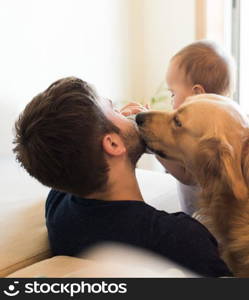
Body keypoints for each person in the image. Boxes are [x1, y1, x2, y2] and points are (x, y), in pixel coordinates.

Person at [13, 77, 232, 277]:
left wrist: (125, 129)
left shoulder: (58, 206)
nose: (126, 113)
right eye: (115, 110)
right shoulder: (179, 238)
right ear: (113, 144)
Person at [160, 40, 236, 215]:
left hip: (210, 229)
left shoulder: (212, 136)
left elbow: (187, 175)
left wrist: (152, 141)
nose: (172, 101)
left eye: (173, 93)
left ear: (197, 94)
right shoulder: (224, 121)